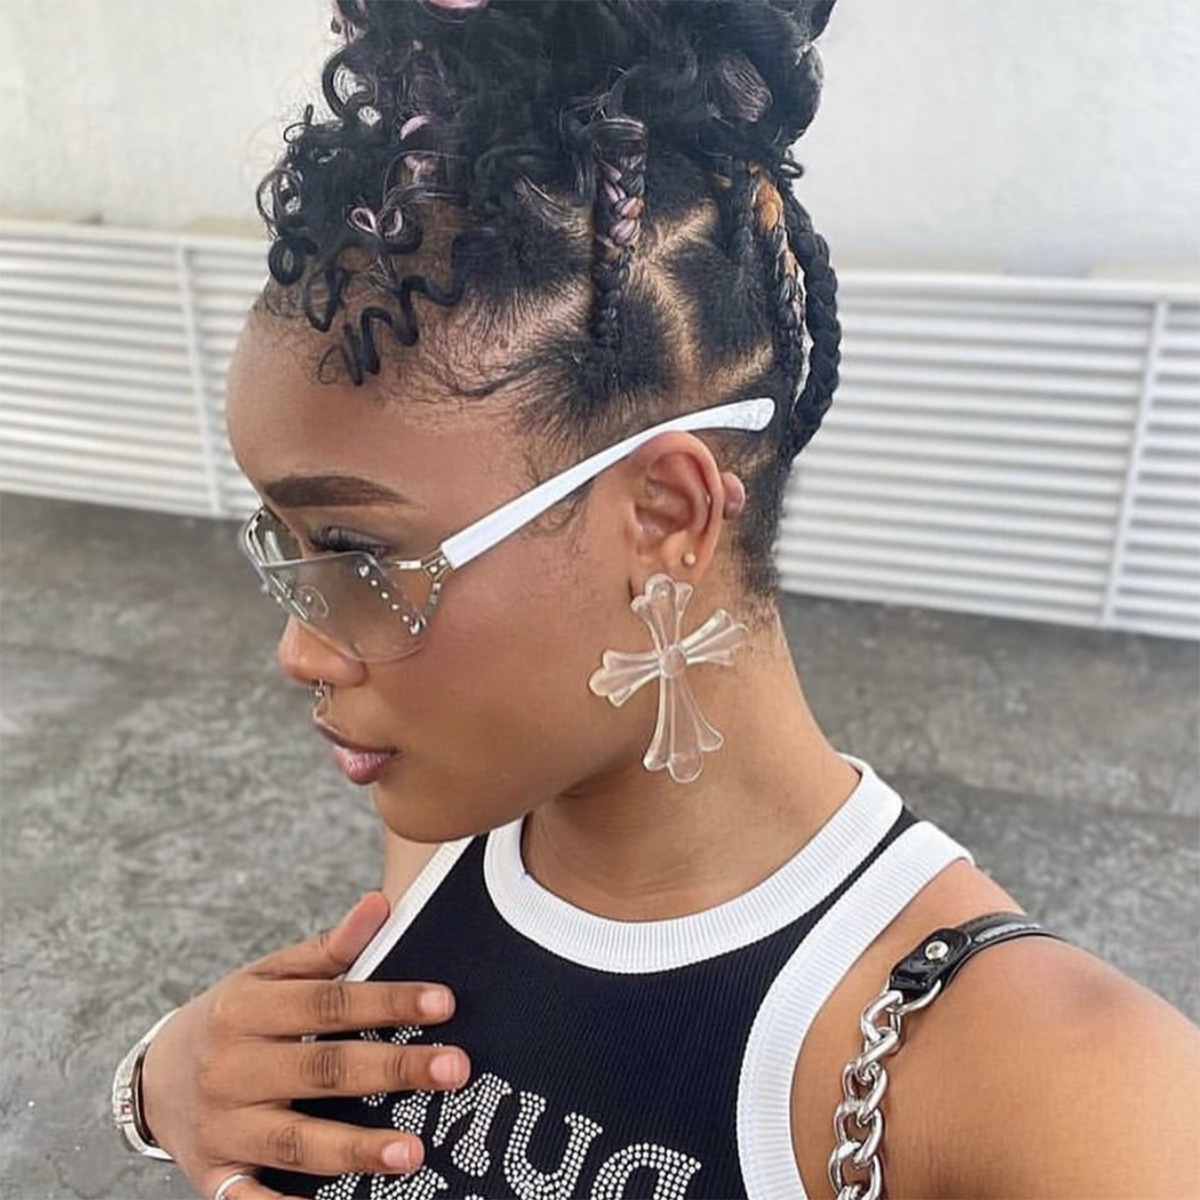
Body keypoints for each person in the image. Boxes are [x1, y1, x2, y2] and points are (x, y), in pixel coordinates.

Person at [114, 2, 1200, 1198]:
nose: (299, 650)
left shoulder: (1072, 1093)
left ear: (667, 517)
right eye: (285, 548)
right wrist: (165, 1086)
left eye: (356, 555)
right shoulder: (450, 836)